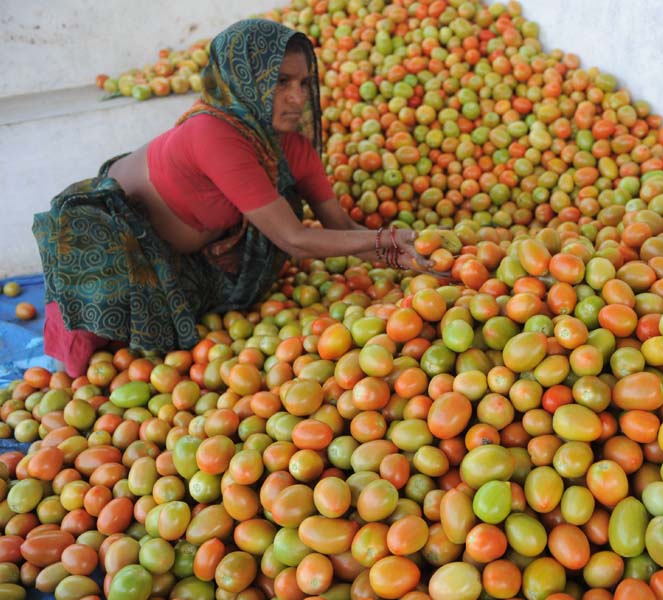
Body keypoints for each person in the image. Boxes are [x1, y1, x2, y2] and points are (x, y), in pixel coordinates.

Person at [32, 19, 432, 377]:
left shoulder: (295, 150)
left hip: (182, 257)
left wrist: (414, 258)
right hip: (111, 241)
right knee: (84, 360)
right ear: (244, 78)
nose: (296, 97)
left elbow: (343, 231)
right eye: (280, 82)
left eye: (304, 83)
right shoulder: (214, 132)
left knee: (154, 350)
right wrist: (388, 239)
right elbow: (292, 238)